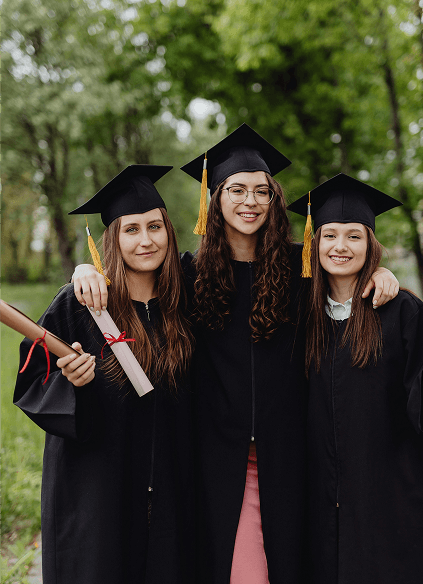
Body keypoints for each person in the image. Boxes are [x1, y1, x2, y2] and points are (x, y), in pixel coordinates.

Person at [72, 125, 400, 584]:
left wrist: (381, 273)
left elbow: (346, 282)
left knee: (294, 561)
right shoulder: (188, 274)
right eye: (237, 189)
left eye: (262, 191)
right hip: (213, 455)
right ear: (216, 197)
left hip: (292, 451)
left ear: (274, 198)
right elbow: (135, 285)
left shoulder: (301, 267)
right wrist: (86, 267)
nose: (250, 201)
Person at [14, 165, 196, 584]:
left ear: (169, 230)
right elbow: (33, 379)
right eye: (131, 229)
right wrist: (71, 379)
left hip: (171, 485)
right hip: (97, 488)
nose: (146, 240)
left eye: (155, 226)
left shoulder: (186, 294)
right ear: (112, 238)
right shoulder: (82, 304)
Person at [288, 173, 423, 584]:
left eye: (354, 236)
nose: (340, 247)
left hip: (392, 502)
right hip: (319, 503)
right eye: (329, 236)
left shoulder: (405, 314)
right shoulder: (298, 314)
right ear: (314, 243)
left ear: (371, 244)